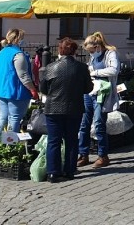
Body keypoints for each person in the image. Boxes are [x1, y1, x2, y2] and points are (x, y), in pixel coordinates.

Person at [40, 37, 92, 183]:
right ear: (75, 51)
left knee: (54, 141)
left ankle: (53, 173)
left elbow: (43, 89)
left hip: (53, 108)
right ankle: (69, 170)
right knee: (71, 140)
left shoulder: (50, 67)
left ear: (60, 50)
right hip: (74, 108)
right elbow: (88, 88)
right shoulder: (81, 68)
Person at [77, 32, 120, 169]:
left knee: (99, 123)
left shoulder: (110, 53)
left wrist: (95, 73)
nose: (91, 53)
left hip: (103, 93)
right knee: (84, 123)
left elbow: (114, 70)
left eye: (91, 50)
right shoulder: (92, 57)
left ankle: (103, 155)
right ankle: (83, 154)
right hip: (89, 92)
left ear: (97, 46)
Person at [0, 29, 38, 139]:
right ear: (18, 39)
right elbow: (23, 75)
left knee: (2, 117)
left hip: (2, 90)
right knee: (14, 118)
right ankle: (10, 144)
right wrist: (33, 89)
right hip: (16, 91)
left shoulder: (2, 52)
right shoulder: (18, 55)